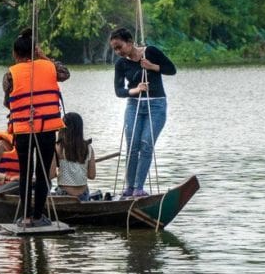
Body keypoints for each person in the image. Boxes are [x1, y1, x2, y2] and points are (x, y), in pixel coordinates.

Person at [4, 28, 69, 226]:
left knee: (25, 172)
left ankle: (25, 217)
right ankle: (39, 216)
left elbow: (8, 102)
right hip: (47, 129)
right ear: (36, 51)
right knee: (42, 172)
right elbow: (65, 74)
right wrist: (42, 57)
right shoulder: (50, 67)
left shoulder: (10, 74)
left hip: (24, 130)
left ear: (15, 54)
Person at [109, 27, 176, 197]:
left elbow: (171, 69)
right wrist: (135, 90)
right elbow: (119, 91)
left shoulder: (150, 52)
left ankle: (139, 188)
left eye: (120, 47)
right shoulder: (121, 64)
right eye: (114, 49)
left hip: (156, 106)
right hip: (134, 105)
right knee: (132, 146)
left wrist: (152, 66)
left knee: (146, 144)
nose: (118, 51)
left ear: (130, 42)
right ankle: (130, 187)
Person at [49, 112, 98, 200]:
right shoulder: (89, 148)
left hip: (64, 195)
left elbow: (51, 175)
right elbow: (92, 175)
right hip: (83, 194)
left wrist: (58, 173)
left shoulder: (57, 147)